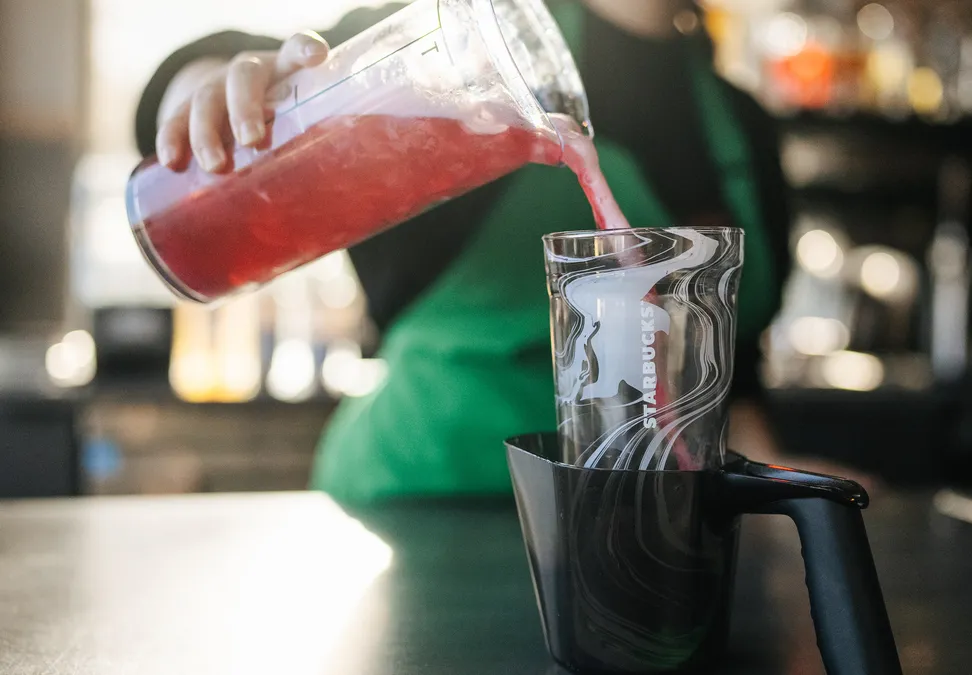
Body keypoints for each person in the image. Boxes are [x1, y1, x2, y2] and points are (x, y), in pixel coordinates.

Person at [138, 0, 796, 504]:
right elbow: (262, 73)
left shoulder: (740, 123)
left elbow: (729, 366)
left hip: (632, 524)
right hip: (419, 510)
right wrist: (209, 89)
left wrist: (773, 478)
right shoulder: (465, 59)